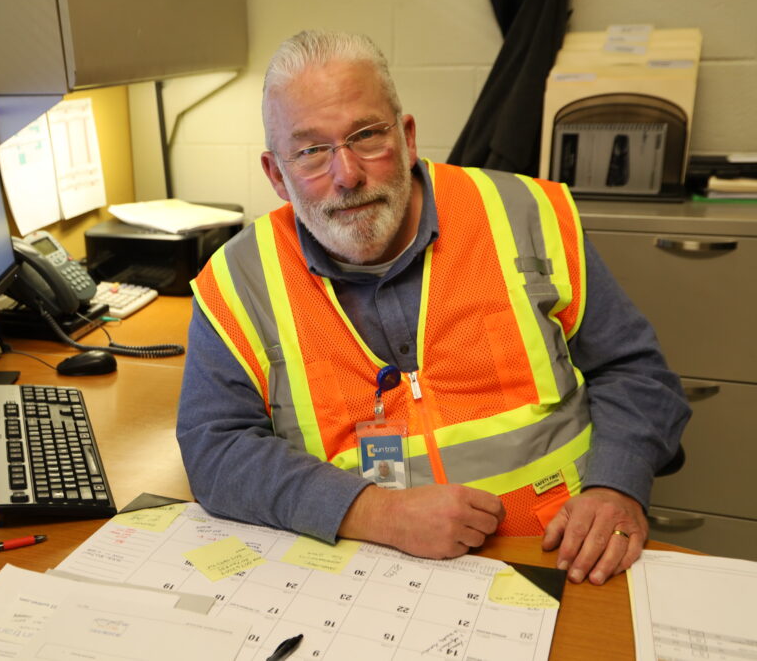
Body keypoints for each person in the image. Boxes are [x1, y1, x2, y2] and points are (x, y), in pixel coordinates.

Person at [176, 30, 690, 585]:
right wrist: (374, 512)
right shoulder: (236, 282)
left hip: (563, 557)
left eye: (367, 136)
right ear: (276, 174)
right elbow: (215, 448)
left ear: (408, 136)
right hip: (361, 576)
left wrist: (616, 486)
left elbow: (636, 372)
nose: (346, 175)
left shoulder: (527, 214)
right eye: (310, 152)